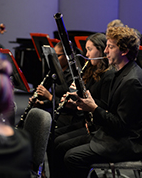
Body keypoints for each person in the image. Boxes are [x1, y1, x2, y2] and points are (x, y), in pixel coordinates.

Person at [52, 26, 142, 178]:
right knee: (59, 146)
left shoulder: (132, 81)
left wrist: (93, 108)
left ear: (124, 51)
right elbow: (110, 110)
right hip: (110, 134)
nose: (105, 51)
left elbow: (121, 126)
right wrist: (85, 106)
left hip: (124, 144)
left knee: (72, 157)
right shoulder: (121, 72)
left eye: (110, 47)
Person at [49, 33, 115, 177]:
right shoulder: (91, 70)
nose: (86, 54)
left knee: (60, 145)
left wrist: (81, 100)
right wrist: (74, 99)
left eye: (90, 49)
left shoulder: (108, 75)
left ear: (101, 49)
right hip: (85, 119)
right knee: (53, 138)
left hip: (95, 125)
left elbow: (103, 105)